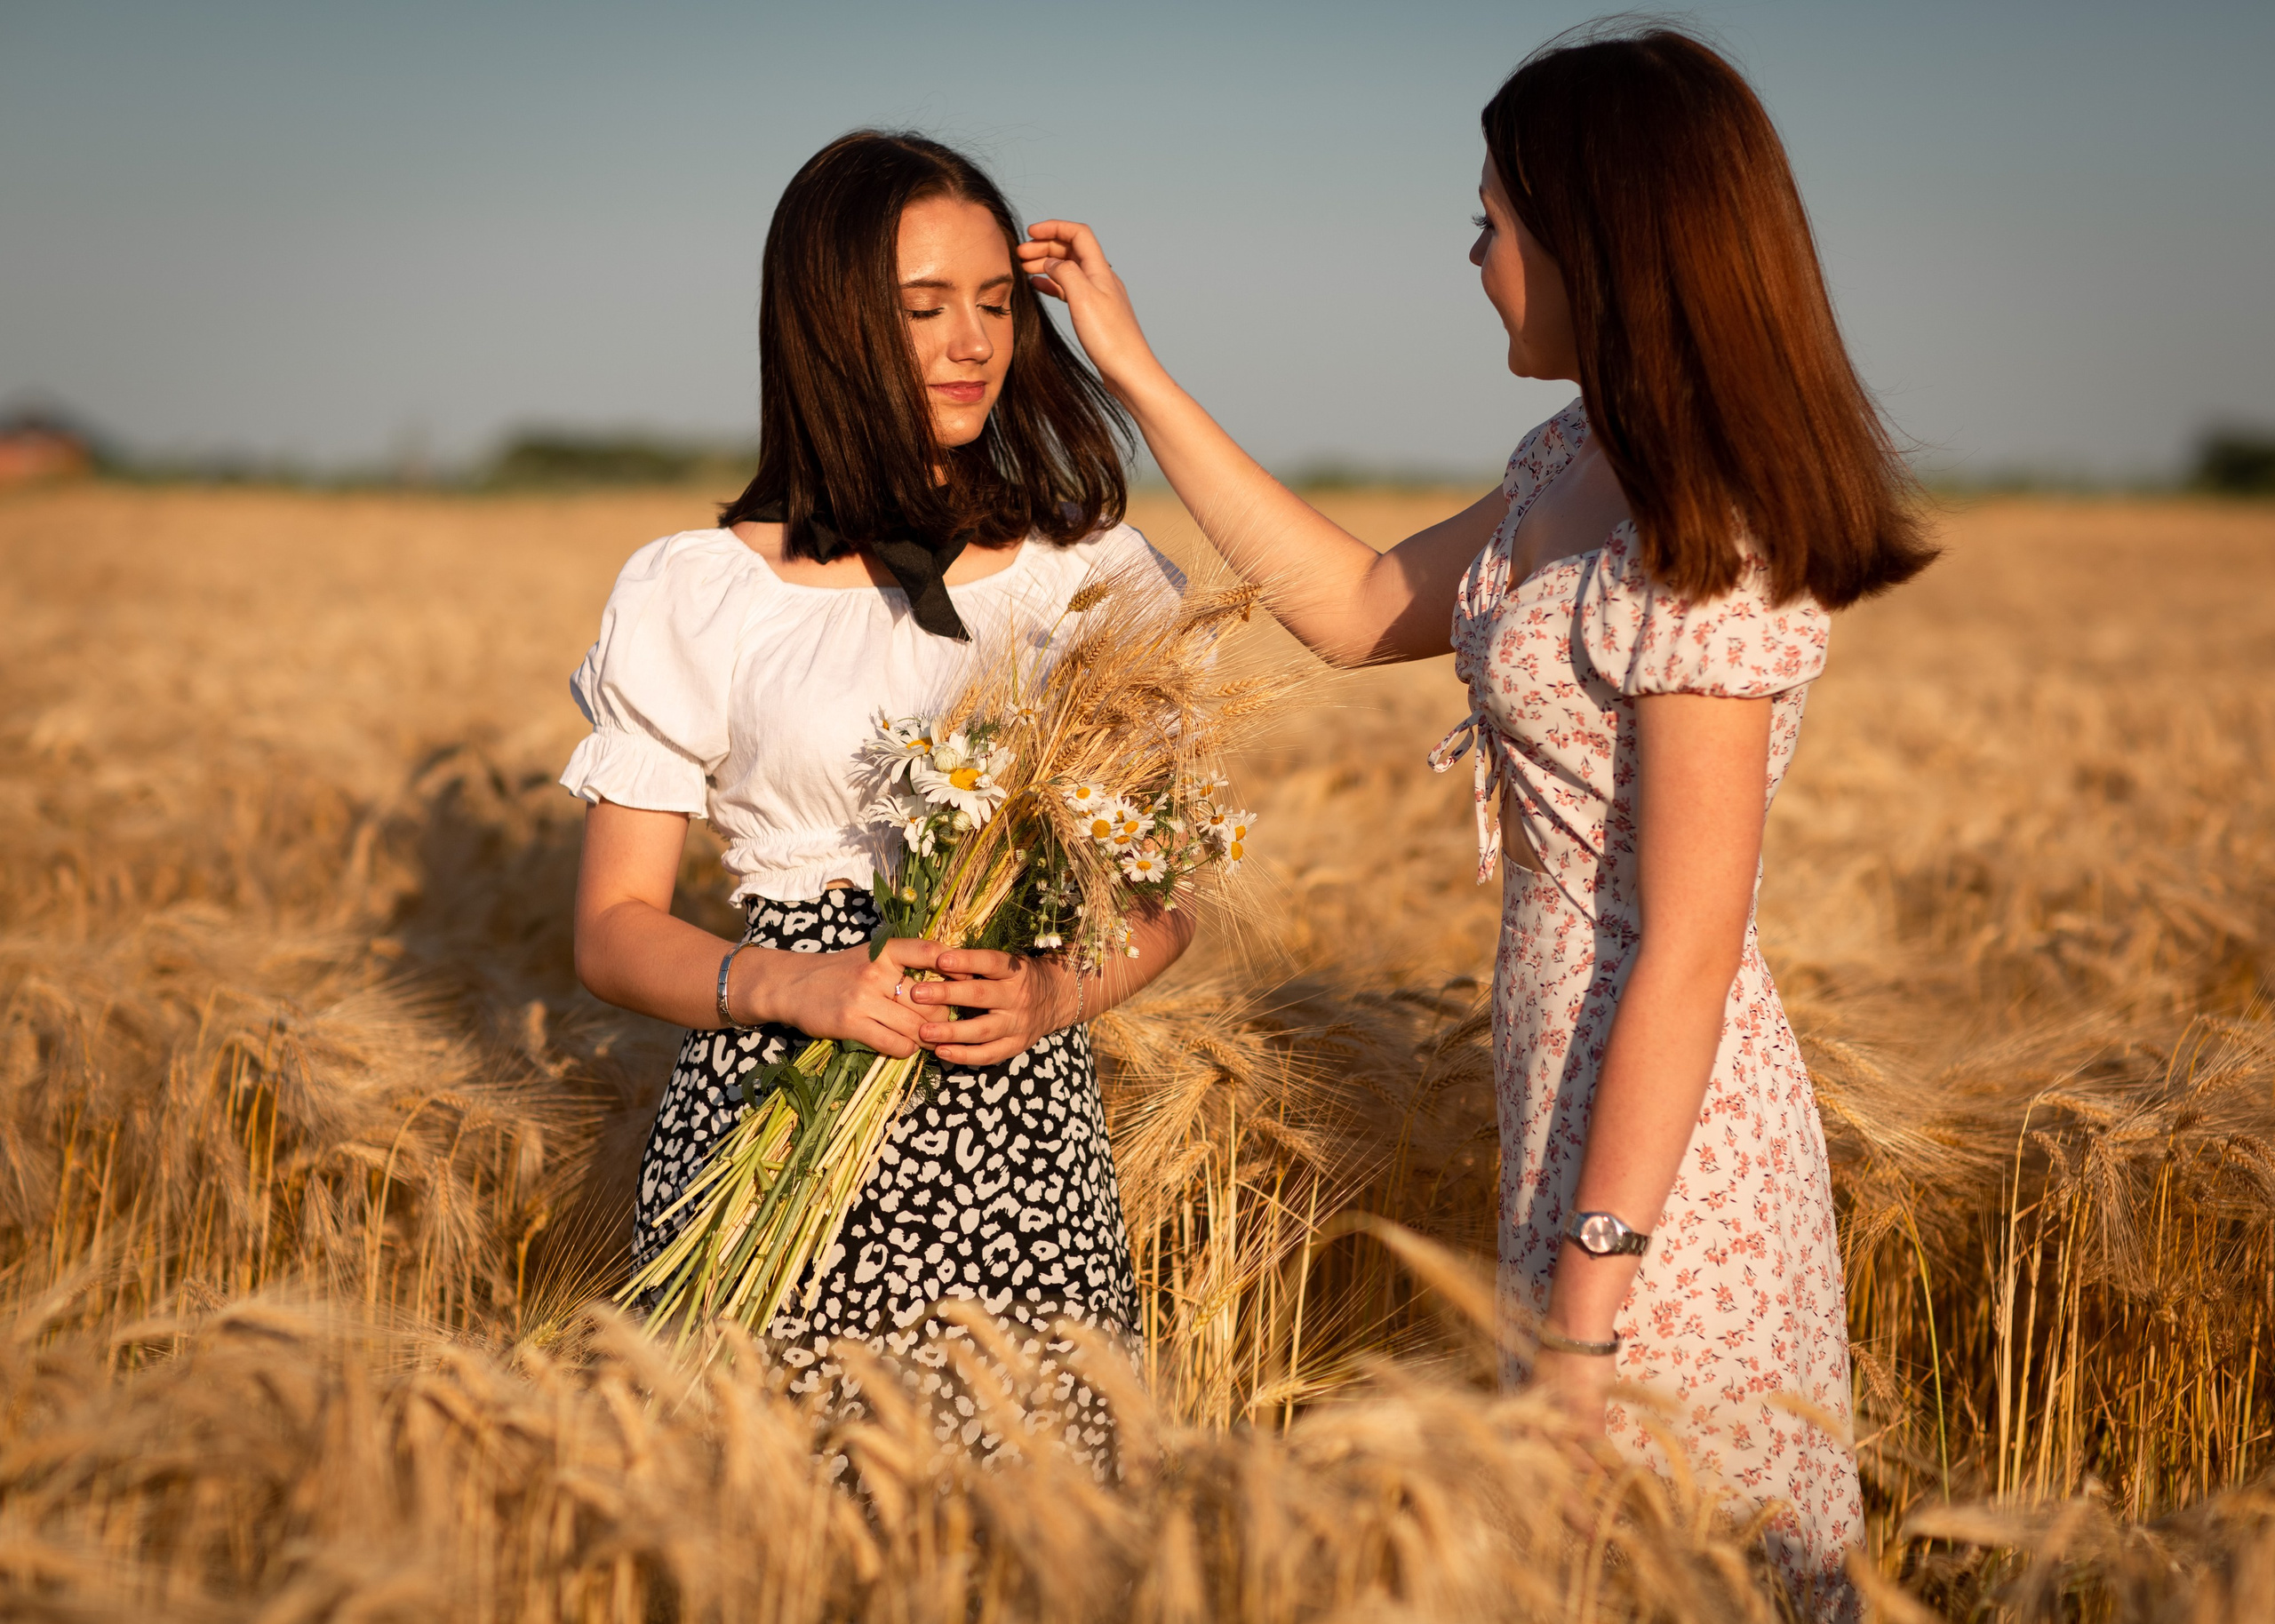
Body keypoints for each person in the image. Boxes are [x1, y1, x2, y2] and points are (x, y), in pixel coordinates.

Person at [1014, 22, 1933, 1610]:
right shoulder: (1572, 460)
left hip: (1670, 1158)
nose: (1476, 254)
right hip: (1559, 1084)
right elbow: (1357, 606)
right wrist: (1134, 371)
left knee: (1669, 1560)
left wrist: (1590, 1304)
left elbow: (1689, 950)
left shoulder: (1703, 536)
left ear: (1601, 239)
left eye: (1493, 220)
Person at [562, 130, 1191, 1475]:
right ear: (830, 323)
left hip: (1019, 1148)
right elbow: (613, 927)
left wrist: (1050, 997)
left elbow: (1160, 905)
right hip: (767, 1130)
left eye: (995, 302)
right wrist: (802, 986)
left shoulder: (1095, 579)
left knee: (1026, 1543)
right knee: (761, 1537)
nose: (970, 342)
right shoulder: (698, 591)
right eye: (921, 309)